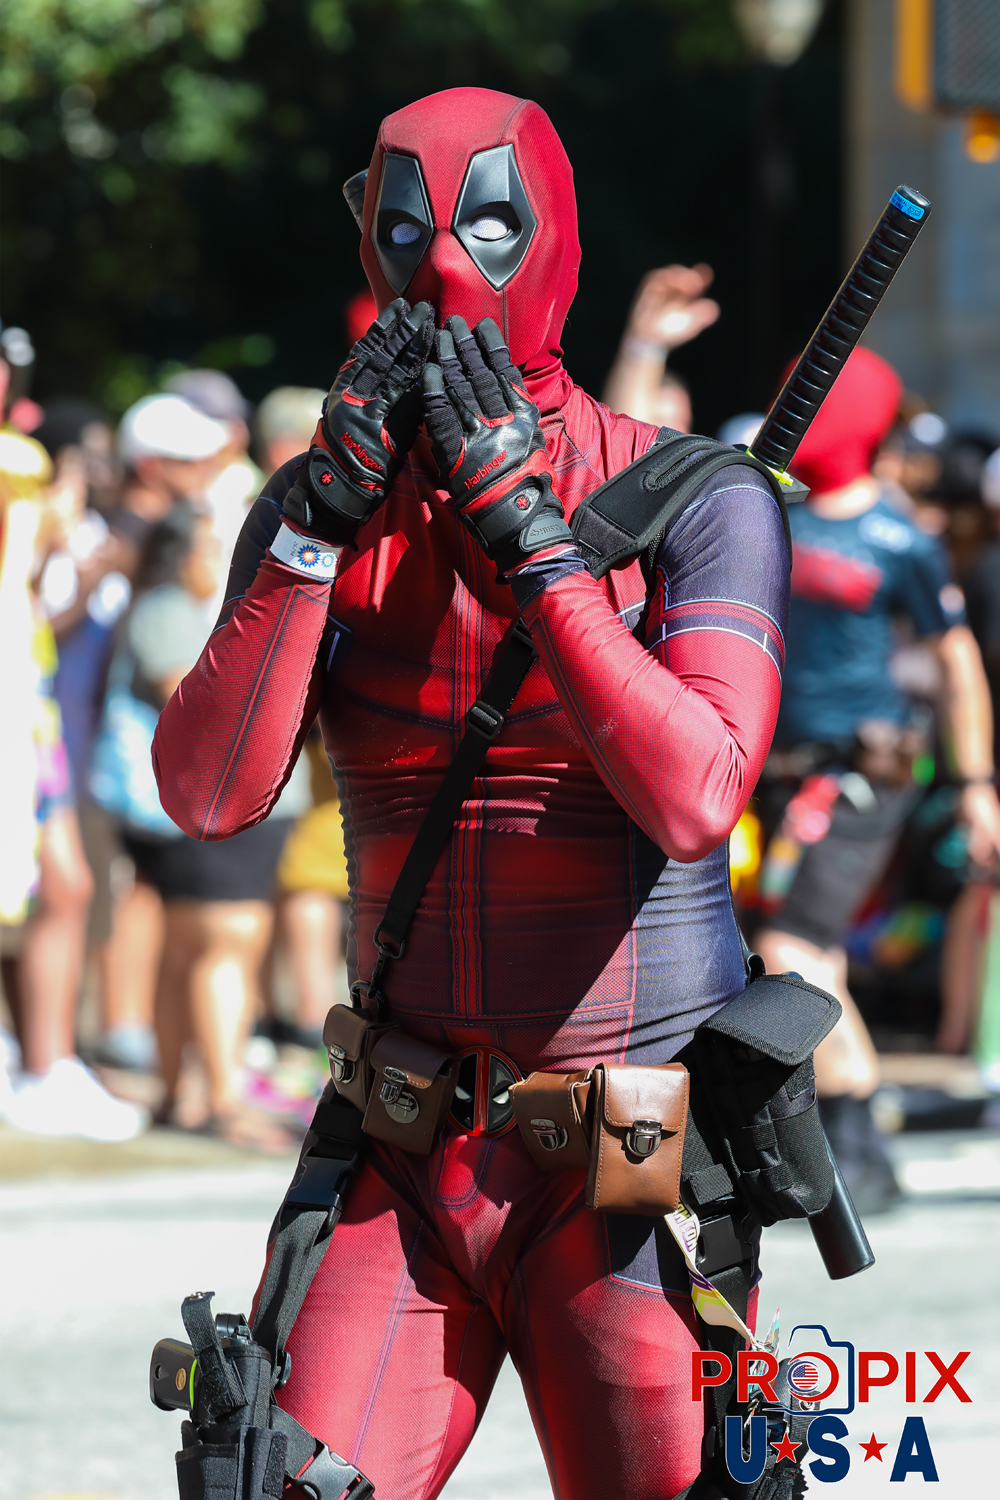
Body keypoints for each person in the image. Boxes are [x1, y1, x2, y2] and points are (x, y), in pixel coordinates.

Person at [152, 88, 790, 1500]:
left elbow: (697, 797)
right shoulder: (321, 502)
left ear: (551, 229)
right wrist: (314, 531)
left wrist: (542, 557)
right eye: (404, 228)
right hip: (403, 1145)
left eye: (489, 223)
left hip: (629, 1154)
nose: (442, 270)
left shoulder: (695, 496)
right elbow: (206, 796)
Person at [751, 347, 1000, 1211]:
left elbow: (957, 661)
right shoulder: (767, 512)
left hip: (866, 774)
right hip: (778, 773)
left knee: (790, 949)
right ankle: (853, 1160)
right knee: (808, 955)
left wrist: (975, 782)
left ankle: (857, 1128)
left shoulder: (901, 539)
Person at [109, 505, 300, 1150]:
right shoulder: (165, 608)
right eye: (212, 542)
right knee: (229, 942)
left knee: (190, 951)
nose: (223, 551)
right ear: (183, 551)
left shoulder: (220, 604)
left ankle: (174, 1092)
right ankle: (222, 1099)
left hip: (233, 799)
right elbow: (188, 698)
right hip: (217, 796)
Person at [0, 359, 147, 1141]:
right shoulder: (19, 473)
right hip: (21, 717)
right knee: (59, 886)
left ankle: (45, 1064)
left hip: (38, 724)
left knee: (64, 886)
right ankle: (42, 1066)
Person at [603, 262, 720, 430]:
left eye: (680, 421)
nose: (669, 433)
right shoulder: (627, 443)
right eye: (657, 419)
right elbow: (629, 435)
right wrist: (646, 343)